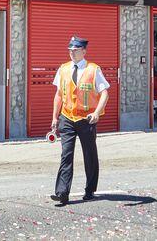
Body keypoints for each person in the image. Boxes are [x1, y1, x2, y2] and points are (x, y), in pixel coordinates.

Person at [49, 36, 110, 206]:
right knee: (66, 155)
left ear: (84, 51)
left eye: (75, 50)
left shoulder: (93, 69)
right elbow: (59, 94)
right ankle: (62, 193)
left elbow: (105, 92)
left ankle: (89, 190)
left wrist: (97, 112)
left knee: (89, 155)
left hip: (87, 119)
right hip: (67, 117)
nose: (72, 53)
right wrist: (55, 117)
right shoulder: (63, 69)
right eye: (70, 50)